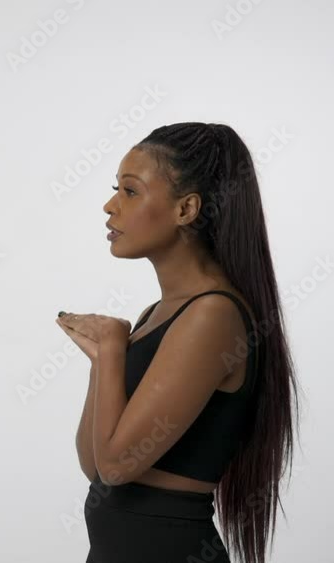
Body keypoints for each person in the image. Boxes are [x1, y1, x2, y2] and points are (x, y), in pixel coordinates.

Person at [56, 122, 300, 563]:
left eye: (130, 192)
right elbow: (94, 465)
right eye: (117, 189)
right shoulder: (157, 315)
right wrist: (101, 361)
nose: (110, 206)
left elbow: (116, 465)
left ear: (186, 208)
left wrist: (113, 349)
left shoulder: (213, 315)